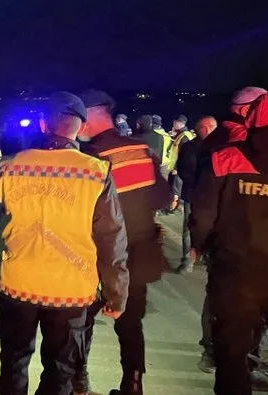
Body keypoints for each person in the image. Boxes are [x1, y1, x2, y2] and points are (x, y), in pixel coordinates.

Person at [0, 91, 130, 395]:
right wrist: (115, 294)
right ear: (80, 128)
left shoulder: (9, 166)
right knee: (60, 371)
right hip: (71, 292)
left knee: (13, 363)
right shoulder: (97, 173)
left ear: (42, 125)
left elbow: (2, 214)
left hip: (18, 285)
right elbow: (110, 239)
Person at [190, 92, 268, 394]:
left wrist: (199, 245)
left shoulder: (225, 158)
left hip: (235, 272)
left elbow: (203, 214)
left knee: (231, 353)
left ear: (251, 120)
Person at [74, 90, 170, 395]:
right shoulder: (141, 149)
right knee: (131, 325)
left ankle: (78, 383)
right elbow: (164, 197)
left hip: (95, 255)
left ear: (89, 116)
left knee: (81, 322)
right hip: (138, 254)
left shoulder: (88, 159)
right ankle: (133, 385)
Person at [174, 116, 218, 273]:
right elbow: (182, 169)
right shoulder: (190, 147)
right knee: (189, 226)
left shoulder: (219, 147)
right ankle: (188, 260)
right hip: (195, 194)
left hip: (208, 195)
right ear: (203, 128)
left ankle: (206, 257)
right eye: (210, 127)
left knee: (211, 227)